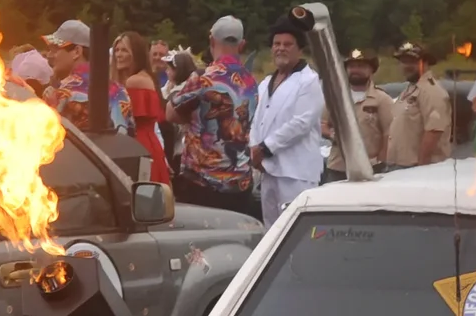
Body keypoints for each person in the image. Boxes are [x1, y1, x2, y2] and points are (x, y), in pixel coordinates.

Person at [167, 15, 257, 216]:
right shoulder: (252, 82)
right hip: (240, 184)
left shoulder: (202, 78)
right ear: (242, 45)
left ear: (211, 41)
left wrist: (192, 117)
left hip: (203, 185)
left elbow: (170, 114)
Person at [248, 16, 323, 225]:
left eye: (287, 44)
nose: (281, 48)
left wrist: (264, 148)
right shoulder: (265, 83)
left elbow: (301, 123)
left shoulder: (309, 81)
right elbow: (256, 121)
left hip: (296, 172)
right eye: (276, 44)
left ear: (299, 49)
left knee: (295, 229)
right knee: (271, 232)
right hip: (269, 170)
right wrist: (254, 149)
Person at [323, 48, 399, 179]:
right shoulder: (336, 97)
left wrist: (380, 164)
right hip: (337, 166)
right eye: (352, 66)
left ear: (371, 70)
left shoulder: (382, 99)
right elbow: (322, 124)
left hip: (370, 168)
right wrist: (332, 135)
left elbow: (389, 134)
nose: (355, 70)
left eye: (361, 66)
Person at [108, 30, 170, 184]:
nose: (118, 55)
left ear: (135, 54)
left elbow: (123, 122)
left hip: (136, 146)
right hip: (148, 145)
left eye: (124, 50)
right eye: (116, 50)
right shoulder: (145, 77)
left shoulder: (134, 82)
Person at [390, 43, 453, 167]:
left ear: (425, 63)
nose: (406, 66)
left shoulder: (432, 91)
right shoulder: (410, 89)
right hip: (402, 167)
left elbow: (434, 131)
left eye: (412, 62)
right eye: (403, 62)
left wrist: (421, 168)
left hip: (419, 168)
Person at [41, 19, 93, 131]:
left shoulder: (63, 93)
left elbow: (47, 137)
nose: (49, 55)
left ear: (77, 52)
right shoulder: (120, 91)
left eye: (55, 49)